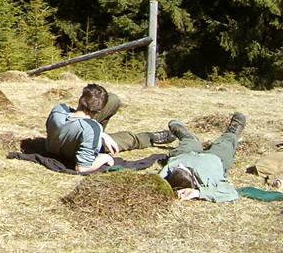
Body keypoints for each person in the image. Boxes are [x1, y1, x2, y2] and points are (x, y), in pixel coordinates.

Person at [46, 83, 175, 172]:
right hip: (80, 147)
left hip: (66, 136)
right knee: (128, 138)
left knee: (113, 99)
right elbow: (82, 168)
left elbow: (75, 119)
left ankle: (99, 134)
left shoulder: (58, 110)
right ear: (99, 110)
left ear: (80, 99)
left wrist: (101, 133)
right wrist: (105, 158)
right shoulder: (92, 129)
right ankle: (152, 138)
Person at [159, 113, 246, 202]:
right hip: (215, 157)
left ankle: (186, 136)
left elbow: (152, 179)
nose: (180, 165)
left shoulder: (167, 173)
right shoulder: (208, 184)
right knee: (225, 144)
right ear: (194, 183)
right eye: (184, 168)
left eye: (178, 167)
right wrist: (199, 193)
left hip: (184, 153)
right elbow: (232, 193)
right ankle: (232, 132)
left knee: (188, 142)